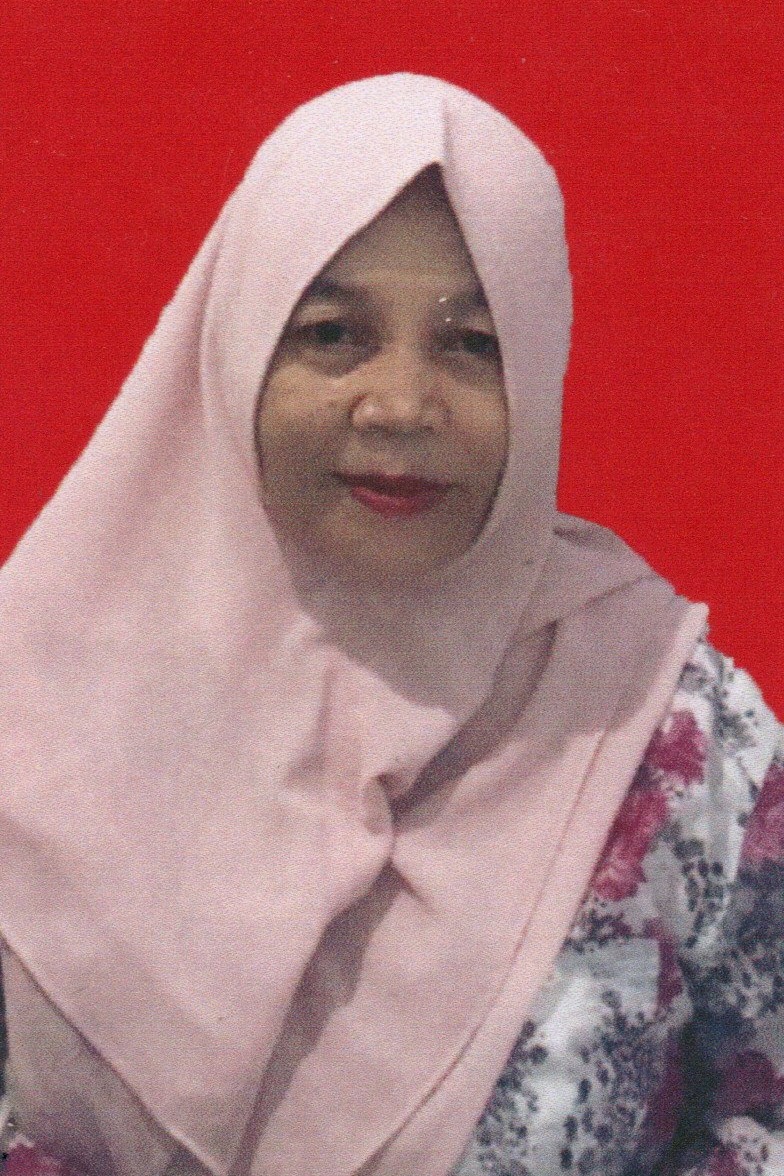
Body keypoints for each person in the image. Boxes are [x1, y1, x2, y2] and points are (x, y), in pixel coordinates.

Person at [0, 73, 781, 1176]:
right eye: (333, 334)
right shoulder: (33, 698)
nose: (401, 403)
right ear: (236, 348)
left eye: (472, 343)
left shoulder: (680, 738)